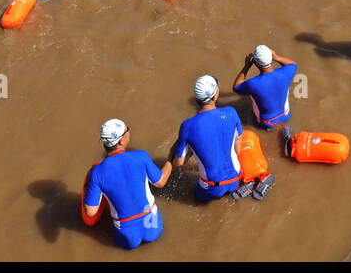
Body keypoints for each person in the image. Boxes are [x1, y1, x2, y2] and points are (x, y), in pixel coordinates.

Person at [82, 119, 171, 251]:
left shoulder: (97, 173)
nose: (129, 131)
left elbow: (90, 212)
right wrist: (170, 161)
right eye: (127, 130)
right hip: (153, 227)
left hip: (127, 236)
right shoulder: (141, 156)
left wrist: (90, 182)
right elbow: (161, 182)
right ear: (121, 141)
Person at [170, 76, 249, 201]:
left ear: (197, 99)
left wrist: (190, 150)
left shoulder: (187, 126)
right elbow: (237, 147)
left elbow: (179, 163)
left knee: (195, 197)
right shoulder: (231, 112)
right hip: (235, 178)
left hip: (212, 188)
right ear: (215, 96)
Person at [232, 45, 299, 129]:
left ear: (255, 63)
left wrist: (246, 67)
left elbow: (236, 87)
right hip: (286, 115)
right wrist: (276, 57)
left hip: (265, 123)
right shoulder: (287, 72)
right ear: (271, 58)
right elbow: (293, 64)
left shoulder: (252, 84)